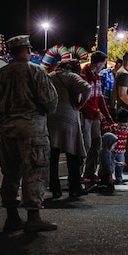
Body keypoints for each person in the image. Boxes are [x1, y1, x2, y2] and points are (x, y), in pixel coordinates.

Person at [0, 34, 59, 233]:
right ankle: (33, 216)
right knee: (35, 170)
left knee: (10, 173)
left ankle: (12, 217)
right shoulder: (36, 71)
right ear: (27, 49)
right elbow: (50, 101)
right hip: (32, 129)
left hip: (8, 129)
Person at [47, 58, 90, 200]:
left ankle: (55, 188)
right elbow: (87, 88)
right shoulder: (72, 76)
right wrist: (80, 104)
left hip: (51, 117)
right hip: (69, 117)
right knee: (73, 154)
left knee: (53, 156)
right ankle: (74, 188)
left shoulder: (50, 76)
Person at [80, 51, 114, 187]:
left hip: (95, 115)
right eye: (103, 63)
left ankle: (90, 171)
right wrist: (96, 112)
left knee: (96, 142)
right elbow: (82, 100)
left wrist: (107, 115)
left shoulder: (97, 77)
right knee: (86, 144)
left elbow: (99, 98)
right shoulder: (83, 76)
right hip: (87, 115)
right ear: (98, 63)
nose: (103, 66)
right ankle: (79, 173)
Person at [111, 109, 128, 184]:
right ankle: (119, 178)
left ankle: (109, 177)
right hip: (122, 150)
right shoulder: (127, 128)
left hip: (113, 150)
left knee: (111, 164)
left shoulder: (115, 127)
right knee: (120, 166)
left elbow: (109, 128)